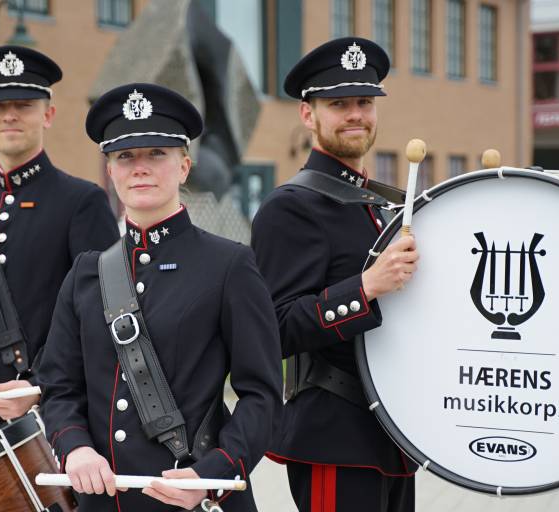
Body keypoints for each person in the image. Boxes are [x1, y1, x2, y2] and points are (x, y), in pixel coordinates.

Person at [38, 83, 283, 511]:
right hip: (104, 501)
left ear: (184, 166)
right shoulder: (85, 274)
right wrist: (74, 447)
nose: (140, 168)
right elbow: (59, 387)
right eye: (125, 157)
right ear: (110, 171)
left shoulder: (229, 265)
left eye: (156, 154)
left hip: (192, 499)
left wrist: (214, 473)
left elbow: (262, 396)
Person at [250, 38, 420, 511]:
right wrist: (365, 288)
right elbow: (274, 329)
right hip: (332, 437)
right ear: (309, 115)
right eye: (338, 104)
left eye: (364, 102)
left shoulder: (381, 207)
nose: (355, 115)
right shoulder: (289, 208)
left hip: (394, 434)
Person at [0, 46, 119, 443]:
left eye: (24, 104)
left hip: (52, 420)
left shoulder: (82, 201)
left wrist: (37, 387)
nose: (10, 115)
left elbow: (101, 314)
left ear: (48, 114)